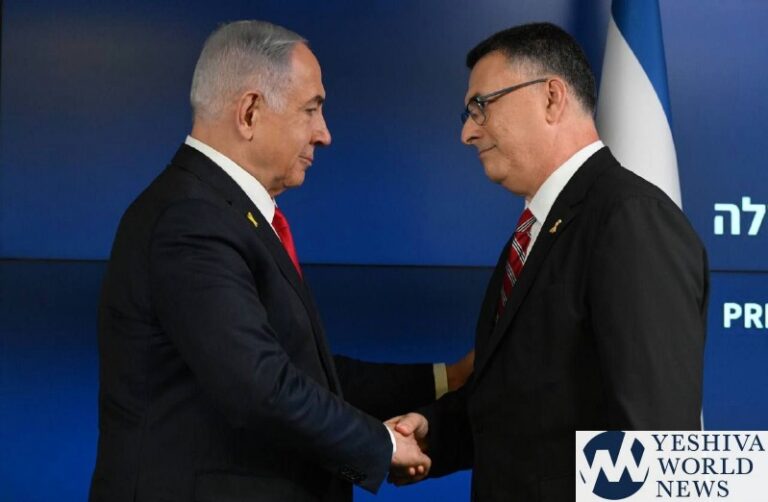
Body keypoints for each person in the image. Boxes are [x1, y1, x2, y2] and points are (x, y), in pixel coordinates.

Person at [89, 20, 472, 502]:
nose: (324, 134)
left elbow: (303, 371)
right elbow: (258, 383)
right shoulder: (190, 221)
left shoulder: (222, 210)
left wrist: (444, 380)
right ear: (249, 112)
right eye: (311, 109)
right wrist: (382, 446)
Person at [391, 22, 708, 500]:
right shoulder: (538, 230)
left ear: (551, 98)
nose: (467, 132)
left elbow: (656, 440)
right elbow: (526, 405)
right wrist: (433, 432)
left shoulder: (629, 218)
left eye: (481, 106)